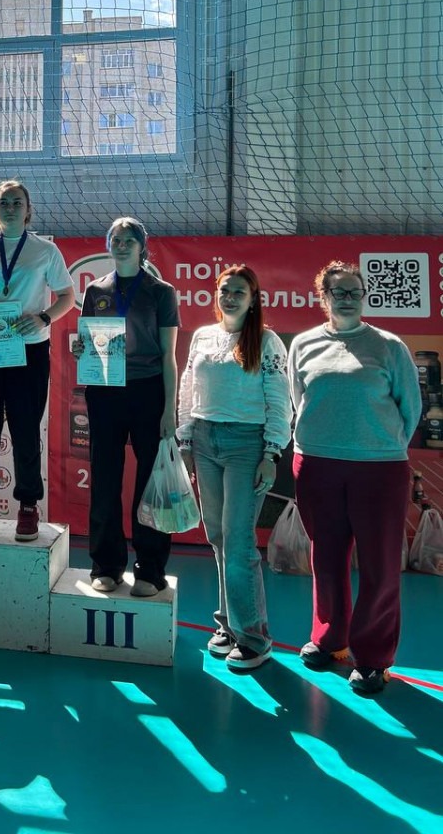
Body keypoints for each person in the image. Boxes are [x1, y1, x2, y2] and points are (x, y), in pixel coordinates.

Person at [288, 260, 421, 694]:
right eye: (338, 292)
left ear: (363, 297)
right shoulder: (303, 344)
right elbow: (299, 400)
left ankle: (374, 658)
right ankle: (330, 639)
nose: (347, 299)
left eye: (354, 291)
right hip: (316, 466)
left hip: (379, 470)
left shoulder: (389, 347)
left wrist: (381, 446)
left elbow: (410, 407)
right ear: (323, 297)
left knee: (380, 565)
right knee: (326, 560)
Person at [176, 264, 291, 671]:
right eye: (225, 290)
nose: (230, 297)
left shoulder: (267, 341)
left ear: (253, 298)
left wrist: (271, 453)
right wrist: (186, 441)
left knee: (239, 543)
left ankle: (254, 638)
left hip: (247, 445)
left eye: (239, 291)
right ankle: (227, 625)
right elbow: (188, 389)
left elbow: (279, 399)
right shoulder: (203, 336)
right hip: (205, 442)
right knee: (218, 537)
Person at [0, 180, 75, 542]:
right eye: (4, 202)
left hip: (29, 351)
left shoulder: (45, 250)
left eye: (17, 202)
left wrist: (44, 318)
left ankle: (28, 506)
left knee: (26, 431)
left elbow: (67, 296)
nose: (10, 207)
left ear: (28, 210)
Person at [75, 218, 178, 594]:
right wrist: (81, 348)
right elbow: (88, 342)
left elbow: (168, 356)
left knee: (151, 483)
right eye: (115, 239)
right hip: (105, 391)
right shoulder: (95, 290)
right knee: (104, 480)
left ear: (141, 247)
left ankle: (150, 569)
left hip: (148, 391)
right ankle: (106, 565)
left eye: (128, 240)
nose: (120, 245)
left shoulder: (161, 292)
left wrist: (169, 409)